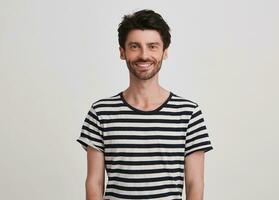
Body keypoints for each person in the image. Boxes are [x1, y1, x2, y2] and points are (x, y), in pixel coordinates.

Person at [77, 9, 213, 200]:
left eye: (152, 46)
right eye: (134, 46)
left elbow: (195, 184)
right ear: (122, 52)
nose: (144, 55)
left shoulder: (188, 114)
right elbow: (94, 183)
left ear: (164, 52)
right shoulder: (100, 113)